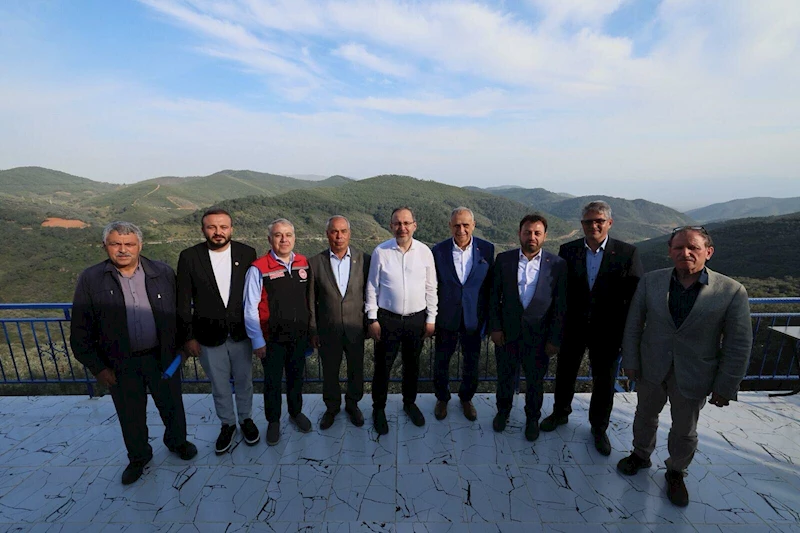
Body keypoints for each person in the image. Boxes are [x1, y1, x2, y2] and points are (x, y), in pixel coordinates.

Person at [617, 226, 752, 507]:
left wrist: (726, 385)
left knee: (684, 429)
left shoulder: (731, 291)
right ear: (670, 251)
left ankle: (676, 471)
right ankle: (640, 455)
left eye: (693, 248)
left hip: (695, 373)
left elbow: (738, 344)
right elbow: (633, 325)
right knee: (644, 416)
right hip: (652, 366)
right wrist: (630, 362)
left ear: (708, 252)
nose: (685, 253)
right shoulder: (652, 281)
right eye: (678, 248)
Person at [70, 221, 197, 485]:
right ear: (105, 246)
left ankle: (177, 442)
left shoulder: (162, 272)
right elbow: (80, 330)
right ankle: (139, 457)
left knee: (172, 405)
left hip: (162, 357)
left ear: (140, 245)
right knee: (130, 414)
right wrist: (98, 367)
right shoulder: (91, 279)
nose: (123, 249)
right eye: (115, 244)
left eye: (129, 244)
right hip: (120, 362)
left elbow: (181, 313)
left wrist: (187, 342)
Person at [540, 201, 643, 456]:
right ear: (582, 224)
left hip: (608, 331)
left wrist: (628, 335)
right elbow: (561, 292)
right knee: (565, 373)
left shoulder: (627, 253)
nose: (593, 225)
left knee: (604, 381)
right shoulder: (569, 250)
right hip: (573, 328)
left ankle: (599, 427)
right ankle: (560, 413)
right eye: (588, 221)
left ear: (609, 223)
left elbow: (633, 298)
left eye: (599, 221)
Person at [177, 208, 259, 454]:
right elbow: (183, 302)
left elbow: (253, 294)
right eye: (212, 227)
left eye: (223, 227)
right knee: (219, 385)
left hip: (241, 333)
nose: (218, 232)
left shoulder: (247, 253)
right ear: (203, 229)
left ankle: (246, 419)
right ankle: (228, 424)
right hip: (207, 335)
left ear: (231, 229)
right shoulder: (189, 257)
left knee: (244, 381)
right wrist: (188, 337)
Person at [489, 213, 566, 441]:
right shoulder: (504, 260)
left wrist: (554, 339)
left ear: (544, 236)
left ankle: (532, 418)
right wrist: (495, 328)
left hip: (539, 337)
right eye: (527, 232)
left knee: (535, 381)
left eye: (537, 233)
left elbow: (560, 305)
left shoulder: (557, 265)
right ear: (519, 234)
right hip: (507, 333)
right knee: (505, 377)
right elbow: (493, 297)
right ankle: (503, 412)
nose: (532, 237)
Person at [366, 206, 437, 435]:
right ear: (391, 226)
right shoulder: (381, 251)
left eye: (406, 223)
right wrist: (372, 318)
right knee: (383, 367)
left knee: (412, 365)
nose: (402, 227)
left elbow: (431, 287)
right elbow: (372, 287)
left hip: (417, 319)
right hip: (388, 319)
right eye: (397, 223)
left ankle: (409, 403)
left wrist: (431, 318)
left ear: (414, 225)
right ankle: (378, 408)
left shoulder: (425, 252)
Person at [243, 218, 312, 445]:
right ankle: (273, 421)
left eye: (288, 235)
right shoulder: (258, 268)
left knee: (296, 378)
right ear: (269, 239)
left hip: (299, 336)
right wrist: (257, 341)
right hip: (271, 339)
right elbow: (250, 307)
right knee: (272, 383)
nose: (284, 239)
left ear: (294, 238)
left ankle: (295, 413)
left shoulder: (303, 263)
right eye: (278, 235)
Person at [431, 207, 495, 421]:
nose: (461, 230)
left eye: (466, 225)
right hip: (446, 316)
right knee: (441, 361)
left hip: (474, 317)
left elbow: (490, 286)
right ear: (450, 226)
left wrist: (488, 319)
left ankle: (466, 398)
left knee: (472, 362)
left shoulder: (487, 249)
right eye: (457, 225)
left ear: (473, 225)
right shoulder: (438, 251)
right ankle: (442, 398)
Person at [308, 215, 370, 429]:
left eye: (343, 231)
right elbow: (311, 299)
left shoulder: (364, 260)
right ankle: (332, 408)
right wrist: (313, 329)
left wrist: (369, 323)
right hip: (328, 329)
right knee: (330, 372)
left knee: (356, 370)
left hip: (356, 328)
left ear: (349, 234)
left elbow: (370, 294)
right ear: (327, 234)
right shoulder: (315, 262)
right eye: (334, 231)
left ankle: (353, 405)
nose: (339, 236)